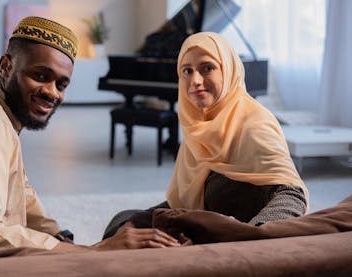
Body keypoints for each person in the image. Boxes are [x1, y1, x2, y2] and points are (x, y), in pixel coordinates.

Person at [0, 16, 179, 252]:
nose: (52, 92)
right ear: (6, 66)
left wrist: (60, 238)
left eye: (62, 84)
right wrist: (90, 254)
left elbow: (22, 194)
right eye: (41, 76)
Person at [104, 31, 308, 238]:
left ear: (228, 70)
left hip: (229, 238)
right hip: (200, 224)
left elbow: (292, 194)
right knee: (122, 223)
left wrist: (251, 237)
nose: (195, 81)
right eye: (187, 71)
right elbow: (184, 203)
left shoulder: (254, 125)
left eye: (207, 68)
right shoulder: (200, 127)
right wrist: (133, 224)